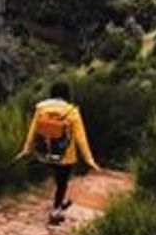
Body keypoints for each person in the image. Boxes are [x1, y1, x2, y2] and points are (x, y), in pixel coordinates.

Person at [17, 81, 99, 224]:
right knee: (62, 182)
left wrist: (27, 149)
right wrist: (89, 159)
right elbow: (81, 138)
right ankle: (56, 211)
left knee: (56, 178)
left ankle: (60, 202)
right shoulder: (71, 111)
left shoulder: (41, 109)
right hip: (65, 155)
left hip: (46, 153)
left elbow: (33, 131)